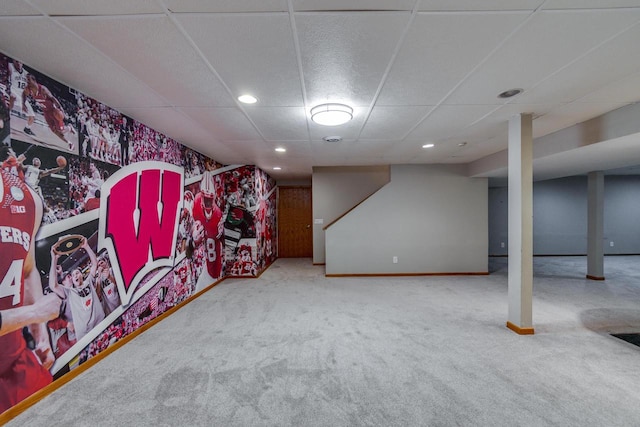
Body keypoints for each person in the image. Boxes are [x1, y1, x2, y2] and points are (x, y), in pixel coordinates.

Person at [0, 167, 62, 413]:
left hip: (14, 363)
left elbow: (27, 269)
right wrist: (34, 314)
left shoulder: (27, 199)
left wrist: (40, 334)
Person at [49, 238, 105, 341]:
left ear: (82, 275)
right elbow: (53, 285)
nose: (75, 275)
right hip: (85, 333)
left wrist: (86, 246)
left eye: (77, 273)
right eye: (73, 274)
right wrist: (54, 259)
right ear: (72, 282)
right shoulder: (70, 292)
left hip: (100, 323)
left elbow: (94, 263)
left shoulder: (89, 282)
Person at [22, 73, 75, 150]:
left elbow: (53, 98)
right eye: (26, 80)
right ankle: (69, 143)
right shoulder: (28, 89)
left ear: (34, 80)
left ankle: (69, 128)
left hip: (54, 111)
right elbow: (23, 94)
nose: (27, 81)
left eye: (29, 80)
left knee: (61, 130)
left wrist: (60, 109)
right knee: (54, 130)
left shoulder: (42, 89)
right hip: (46, 112)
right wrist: (23, 104)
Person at [192, 171, 224, 280]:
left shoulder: (217, 214)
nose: (208, 203)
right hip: (201, 235)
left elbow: (218, 237)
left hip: (211, 240)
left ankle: (214, 274)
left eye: (209, 200)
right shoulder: (196, 203)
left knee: (212, 248)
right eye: (206, 199)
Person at [7, 60, 36, 137]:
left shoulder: (26, 73)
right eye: (17, 61)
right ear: (13, 61)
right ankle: (4, 121)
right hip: (13, 93)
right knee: (10, 102)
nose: (19, 63)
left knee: (32, 117)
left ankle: (27, 129)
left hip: (22, 97)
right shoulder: (10, 66)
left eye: (20, 62)